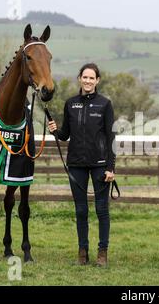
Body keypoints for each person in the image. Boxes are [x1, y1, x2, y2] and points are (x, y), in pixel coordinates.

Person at [48, 63, 116, 266]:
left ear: (97, 81)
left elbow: (111, 136)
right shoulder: (70, 104)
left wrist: (111, 168)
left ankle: (102, 253)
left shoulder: (105, 104)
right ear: (80, 79)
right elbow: (65, 135)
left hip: (100, 165)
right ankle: (82, 252)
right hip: (76, 164)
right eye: (84, 77)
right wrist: (55, 130)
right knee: (81, 210)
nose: (87, 81)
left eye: (91, 78)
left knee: (102, 210)